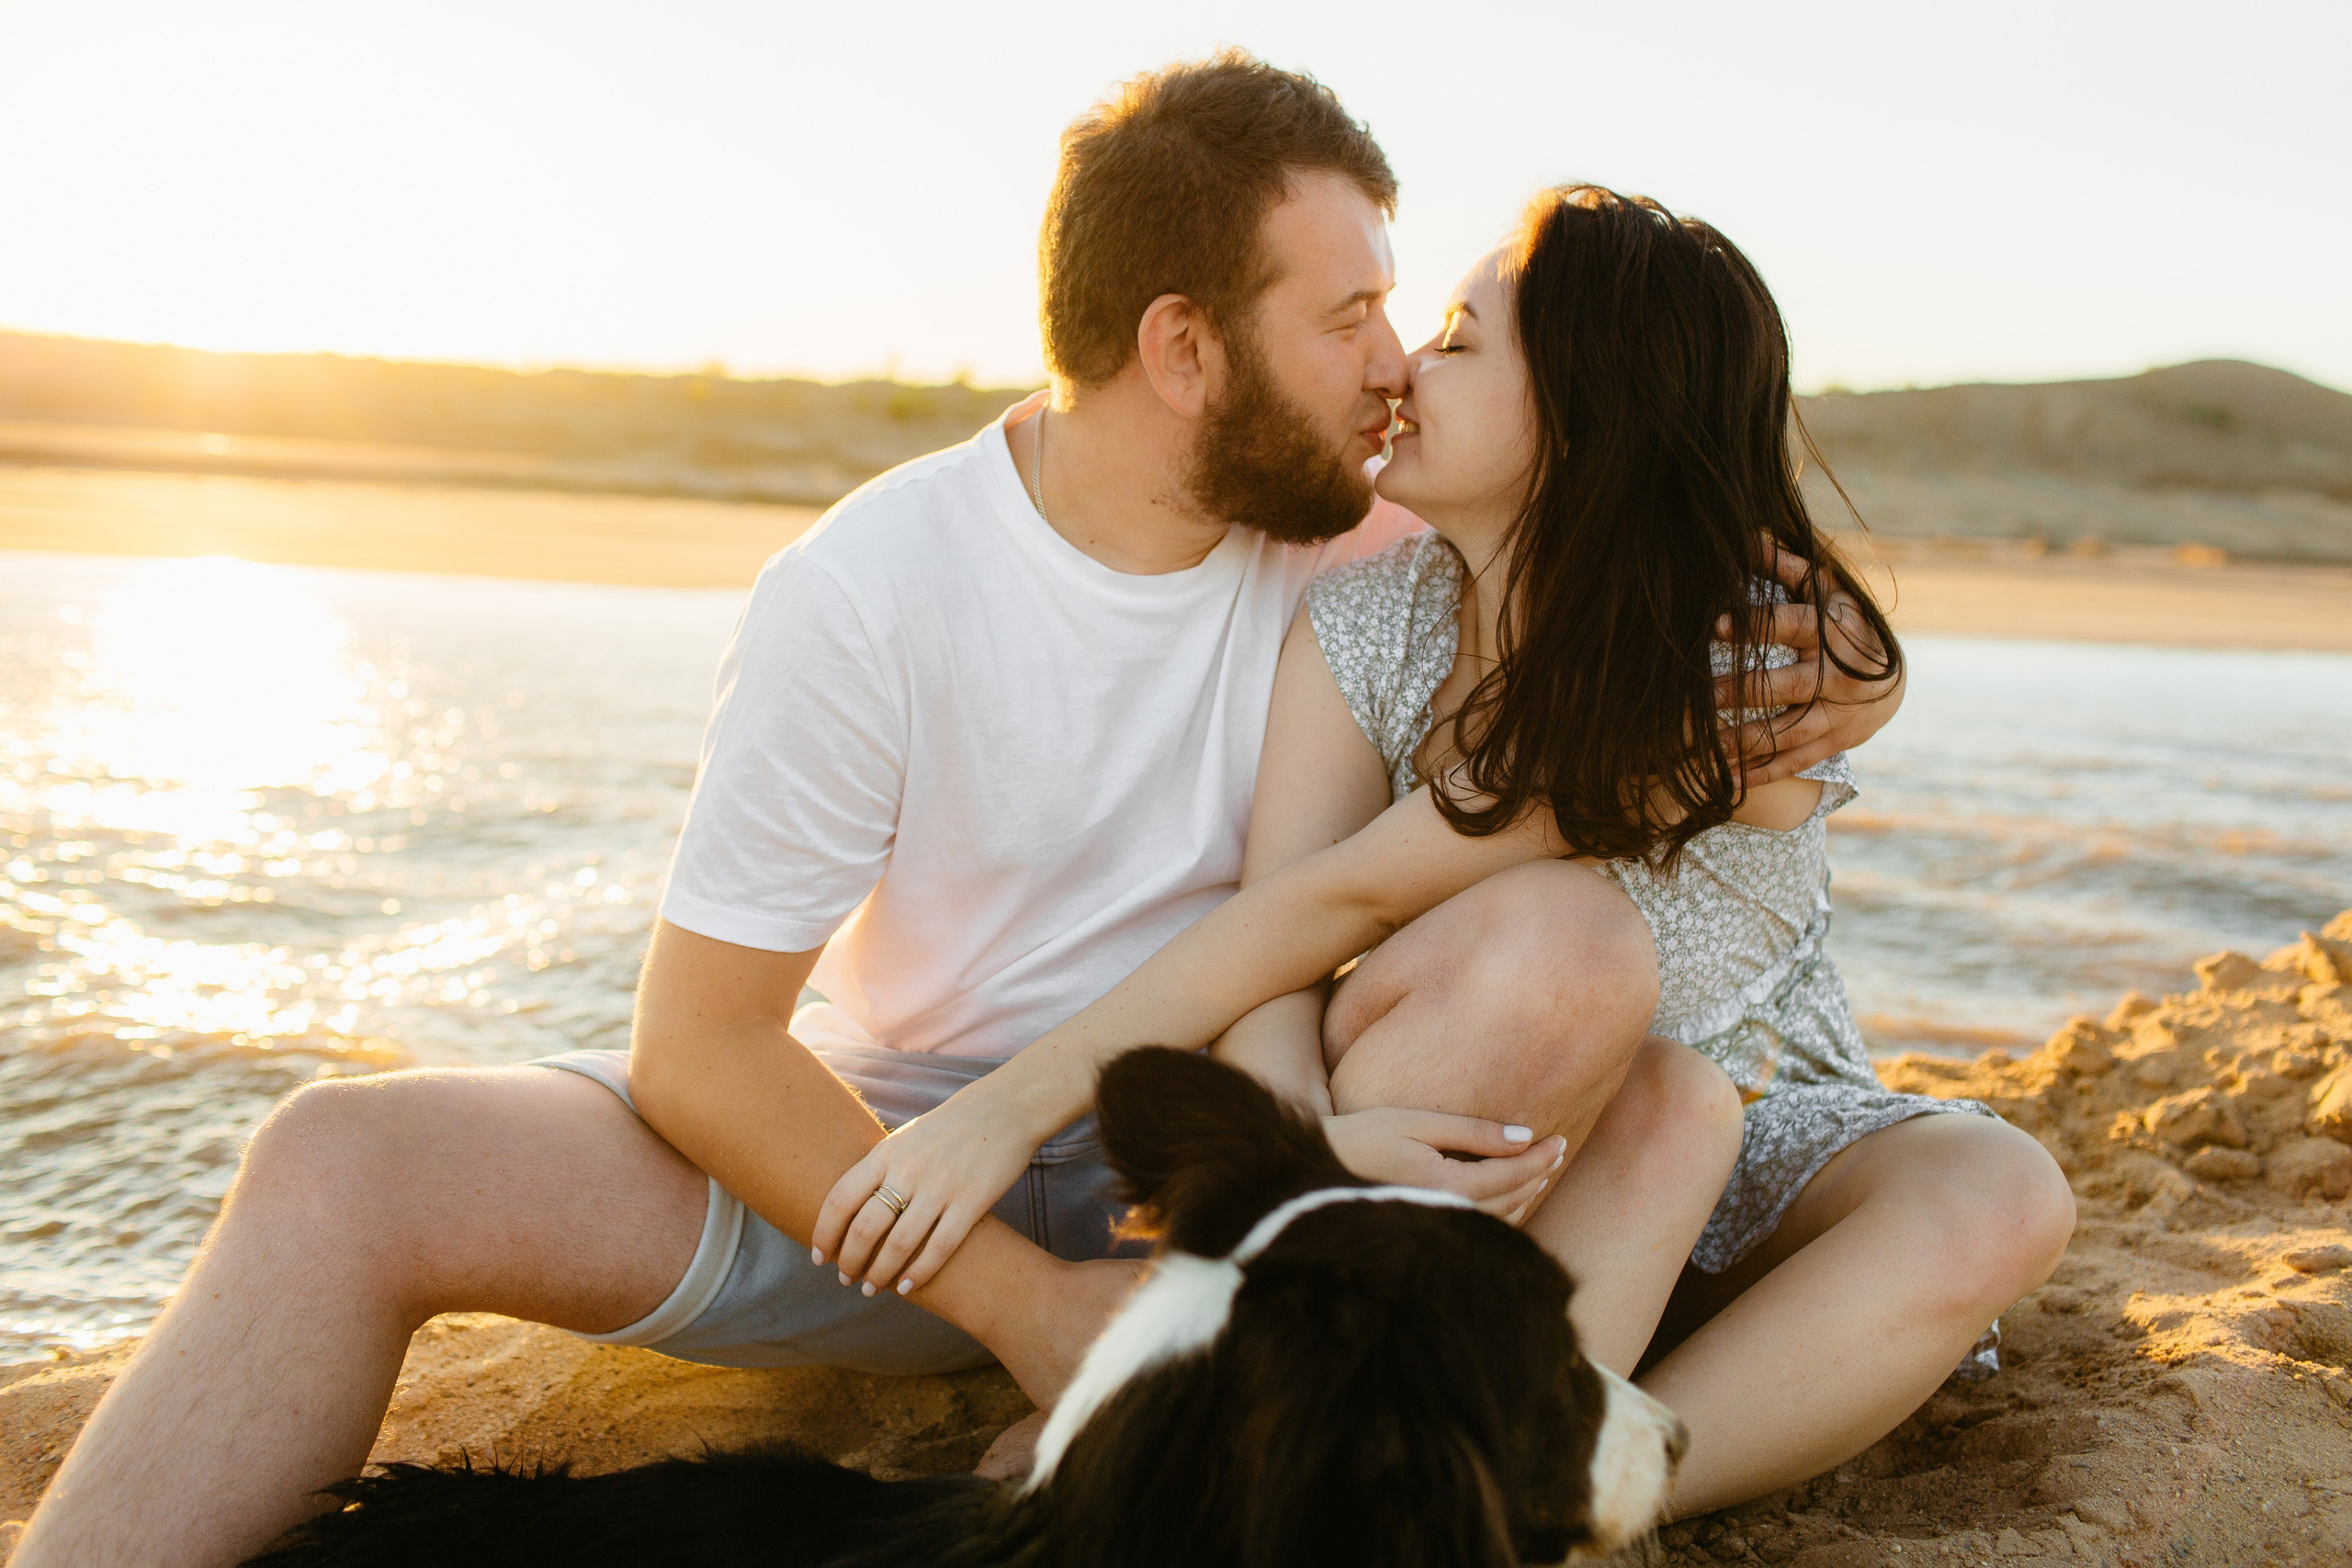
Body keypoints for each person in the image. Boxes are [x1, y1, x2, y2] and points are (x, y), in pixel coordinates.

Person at [15, 61, 1901, 1568]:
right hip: (922, 1169)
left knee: (1555, 941)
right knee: (343, 1160)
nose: (1395, 362)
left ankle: (1232, 1460)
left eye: (1404, 311)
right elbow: (701, 1047)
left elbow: (1647, 536)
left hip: (1267, 1152)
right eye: (1345, 313)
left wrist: (1868, 676)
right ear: (1183, 349)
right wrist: (1022, 1303)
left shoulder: (1371, 518)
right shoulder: (876, 586)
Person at [820, 186, 2077, 1517]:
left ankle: (1567, 1492)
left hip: (1726, 1130)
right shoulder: (1364, 622)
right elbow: (1278, 938)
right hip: (1492, 1136)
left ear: (1590, 412)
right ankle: (1311, 1397)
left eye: (1461, 342)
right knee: (1576, 974)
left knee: (1993, 1188)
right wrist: (1317, 1141)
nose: (1407, 368)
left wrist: (1015, 1109)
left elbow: (1356, 893)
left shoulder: (1726, 659)